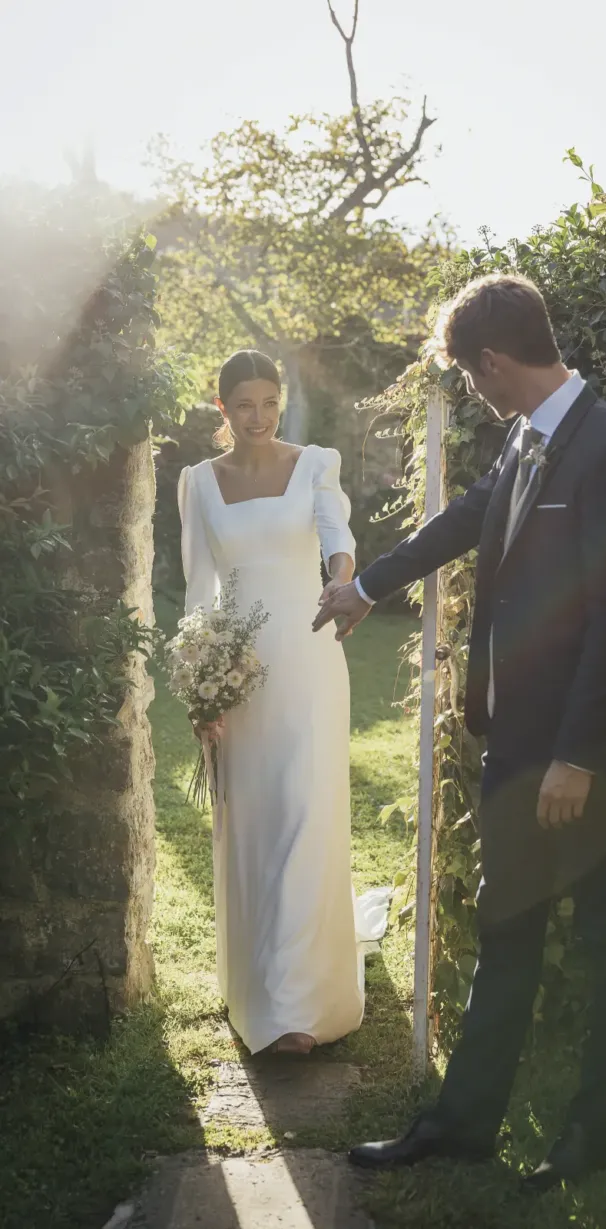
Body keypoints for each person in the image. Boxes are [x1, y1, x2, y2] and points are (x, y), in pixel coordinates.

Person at [314, 275, 606, 1190]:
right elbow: (470, 518)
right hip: (514, 748)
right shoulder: (526, 437)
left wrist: (576, 757)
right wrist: (367, 586)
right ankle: (462, 1125)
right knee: (508, 932)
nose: (475, 390)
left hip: (590, 763)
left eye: (472, 375)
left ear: (495, 362)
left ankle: (594, 1138)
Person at [178, 349, 386, 1057]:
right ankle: (263, 988)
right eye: (245, 405)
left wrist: (339, 580)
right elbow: (198, 591)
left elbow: (339, 538)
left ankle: (299, 1009)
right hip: (238, 673)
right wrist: (201, 683)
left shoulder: (314, 464)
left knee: (305, 808)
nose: (260, 417)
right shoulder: (199, 483)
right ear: (222, 409)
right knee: (258, 820)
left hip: (308, 654)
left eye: (270, 402)